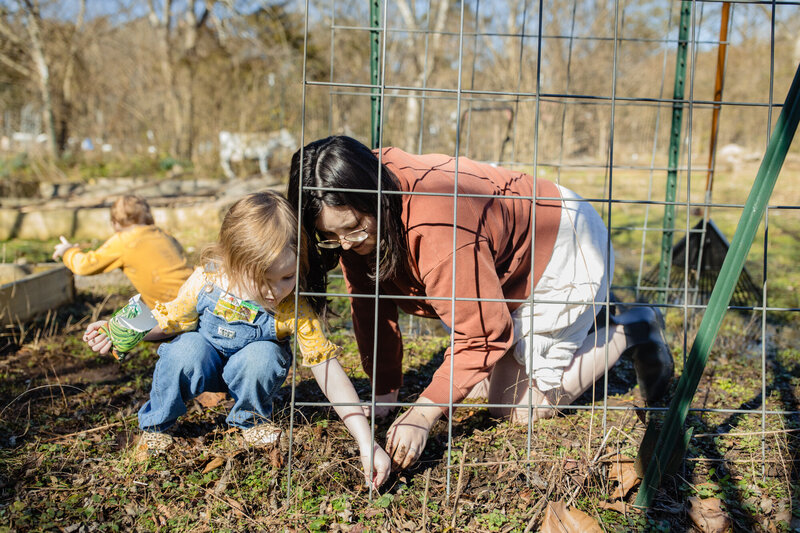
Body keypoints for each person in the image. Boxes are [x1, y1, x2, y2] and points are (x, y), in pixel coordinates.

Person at [287, 136, 673, 470]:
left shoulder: (436, 227)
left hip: (563, 245)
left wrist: (422, 415)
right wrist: (385, 390)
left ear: (374, 195)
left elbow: (484, 334)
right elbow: (371, 300)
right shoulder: (353, 186)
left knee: (516, 409)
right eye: (331, 237)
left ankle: (632, 327)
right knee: (468, 388)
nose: (348, 246)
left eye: (354, 229)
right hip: (500, 263)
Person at [82, 191, 391, 489]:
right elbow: (167, 320)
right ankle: (157, 427)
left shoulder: (292, 306)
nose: (275, 292)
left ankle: (250, 419)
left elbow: (326, 367)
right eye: (261, 280)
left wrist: (366, 441)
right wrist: (118, 328)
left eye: (286, 277)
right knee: (185, 349)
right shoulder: (207, 281)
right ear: (232, 261)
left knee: (265, 355)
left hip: (249, 371)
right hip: (206, 363)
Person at [52, 195, 192, 309]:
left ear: (115, 223)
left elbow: (84, 266)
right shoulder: (162, 234)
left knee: (122, 325)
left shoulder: (123, 241)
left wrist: (68, 251)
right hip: (194, 293)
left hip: (173, 308)